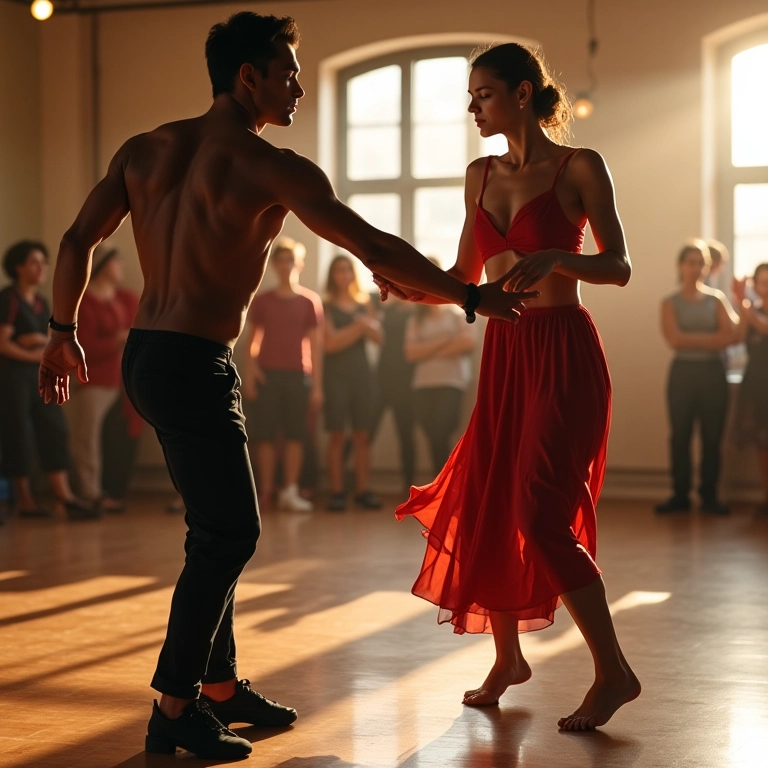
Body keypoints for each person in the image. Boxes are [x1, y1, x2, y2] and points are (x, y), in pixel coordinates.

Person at [37, 13, 534, 759]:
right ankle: (174, 707)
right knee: (230, 533)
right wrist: (469, 296)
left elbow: (77, 239)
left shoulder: (146, 149)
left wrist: (60, 330)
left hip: (148, 356)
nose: (298, 88)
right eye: (289, 74)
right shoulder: (272, 166)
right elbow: (370, 244)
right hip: (194, 364)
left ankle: (220, 687)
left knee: (213, 528)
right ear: (249, 77)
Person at [378, 41, 639, 731]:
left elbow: (618, 267)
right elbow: (465, 278)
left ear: (523, 94)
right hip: (505, 352)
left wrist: (559, 257)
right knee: (490, 498)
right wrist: (409, 287)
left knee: (540, 512)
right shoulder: (479, 175)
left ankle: (613, 671)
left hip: (564, 351)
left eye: (484, 94)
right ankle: (506, 660)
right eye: (471, 97)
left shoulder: (580, 167)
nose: (473, 108)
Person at [0, 241, 97, 521]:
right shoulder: (8, 299)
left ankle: (63, 496)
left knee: (55, 428)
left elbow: (46, 340)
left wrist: (35, 342)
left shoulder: (42, 302)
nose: (41, 267)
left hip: (40, 375)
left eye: (43, 261)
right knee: (18, 433)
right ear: (18, 267)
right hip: (13, 378)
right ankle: (25, 501)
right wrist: (36, 353)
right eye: (34, 262)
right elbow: (4, 345)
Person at [241, 237, 323, 512]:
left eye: (291, 260)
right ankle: (265, 491)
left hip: (298, 377)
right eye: (281, 260)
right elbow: (251, 341)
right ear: (274, 265)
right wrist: (250, 373)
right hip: (267, 377)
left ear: (299, 264)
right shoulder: (262, 301)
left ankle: (290, 489)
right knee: (264, 435)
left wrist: (317, 387)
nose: (286, 265)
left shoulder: (309, 301)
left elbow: (315, 346)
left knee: (295, 435)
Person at [656, 239, 737, 516]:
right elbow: (674, 340)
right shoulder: (670, 302)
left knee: (712, 438)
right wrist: (712, 339)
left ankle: (709, 495)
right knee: (680, 436)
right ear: (681, 266)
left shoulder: (717, 299)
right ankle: (680, 494)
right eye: (690, 262)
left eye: (701, 263)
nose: (695, 268)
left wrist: (691, 339)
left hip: (713, 373)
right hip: (682, 374)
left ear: (708, 267)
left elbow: (730, 336)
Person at [68, 245, 139, 510]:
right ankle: (90, 493)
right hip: (94, 380)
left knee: (120, 436)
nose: (121, 266)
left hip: (126, 380)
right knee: (88, 438)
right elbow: (82, 346)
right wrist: (117, 339)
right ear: (101, 265)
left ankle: (114, 490)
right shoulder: (83, 302)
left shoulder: (127, 298)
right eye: (116, 261)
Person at [323, 255, 382, 511]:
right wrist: (359, 328)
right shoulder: (326, 306)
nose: (344, 274)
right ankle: (337, 492)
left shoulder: (365, 303)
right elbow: (330, 344)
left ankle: (362, 490)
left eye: (348, 269)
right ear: (332, 275)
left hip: (362, 377)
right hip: (335, 377)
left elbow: (379, 338)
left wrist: (357, 329)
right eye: (339, 270)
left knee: (362, 435)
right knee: (337, 435)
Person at [404, 269, 476, 476]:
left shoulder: (458, 314)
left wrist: (427, 350)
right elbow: (410, 354)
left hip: (452, 382)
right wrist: (445, 340)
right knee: (432, 435)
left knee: (441, 433)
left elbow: (467, 343)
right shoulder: (416, 320)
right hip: (423, 385)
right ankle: (441, 482)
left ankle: (444, 481)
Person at [369, 293, 416, 495]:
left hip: (406, 382)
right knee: (365, 430)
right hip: (381, 379)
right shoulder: (385, 310)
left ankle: (409, 486)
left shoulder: (417, 313)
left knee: (406, 435)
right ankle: (346, 480)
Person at [733, 263, 768, 517]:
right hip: (757, 387)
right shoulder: (751, 310)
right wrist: (743, 307)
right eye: (763, 283)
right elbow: (738, 337)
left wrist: (742, 302)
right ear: (755, 286)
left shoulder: (749, 310)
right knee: (762, 445)